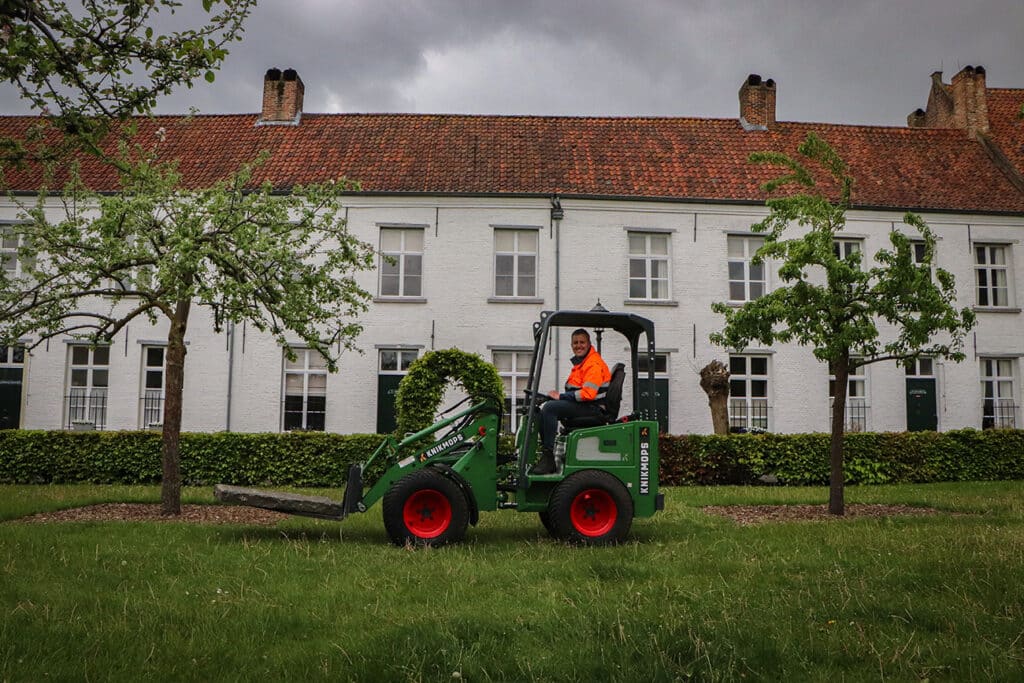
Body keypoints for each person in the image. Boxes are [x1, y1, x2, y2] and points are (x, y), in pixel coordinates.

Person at [532, 328, 611, 474]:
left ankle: (548, 458)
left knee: (550, 408)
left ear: (589, 344)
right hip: (585, 405)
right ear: (571, 345)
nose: (578, 345)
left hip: (593, 408)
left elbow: (588, 394)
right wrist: (555, 397)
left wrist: (561, 397)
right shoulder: (581, 364)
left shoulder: (593, 364)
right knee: (544, 409)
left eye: (582, 342)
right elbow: (574, 390)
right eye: (575, 343)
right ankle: (546, 456)